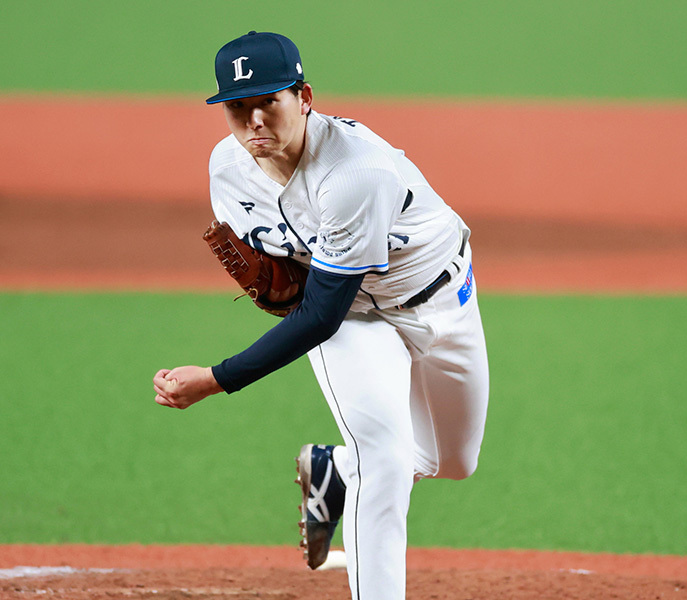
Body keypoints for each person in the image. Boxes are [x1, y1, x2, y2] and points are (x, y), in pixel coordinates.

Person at [152, 31, 490, 600]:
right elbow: (302, 289)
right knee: (382, 460)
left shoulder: (355, 174)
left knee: (452, 461)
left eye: (270, 101)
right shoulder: (227, 169)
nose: (254, 119)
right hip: (357, 318)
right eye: (238, 107)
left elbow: (317, 315)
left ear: (303, 96)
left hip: (438, 301)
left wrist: (215, 379)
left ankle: (333, 470)